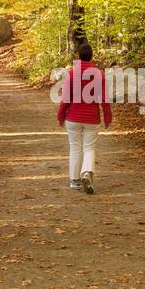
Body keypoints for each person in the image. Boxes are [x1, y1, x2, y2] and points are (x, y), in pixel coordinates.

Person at [56, 43, 112, 193]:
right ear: (91, 56)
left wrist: (60, 115)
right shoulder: (99, 74)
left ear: (79, 57)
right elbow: (104, 99)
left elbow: (66, 99)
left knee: (75, 148)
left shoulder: (72, 74)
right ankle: (86, 172)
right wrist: (107, 117)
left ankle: (74, 180)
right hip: (92, 118)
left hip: (73, 118)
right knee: (89, 148)